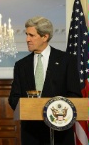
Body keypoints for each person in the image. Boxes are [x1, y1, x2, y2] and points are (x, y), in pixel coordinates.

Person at [8, 16, 82, 145]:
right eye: (27, 35)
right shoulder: (21, 65)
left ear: (45, 37)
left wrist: (56, 112)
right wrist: (28, 111)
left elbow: (74, 94)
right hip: (31, 132)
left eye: (31, 35)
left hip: (60, 130)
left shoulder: (66, 60)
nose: (27, 39)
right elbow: (14, 97)